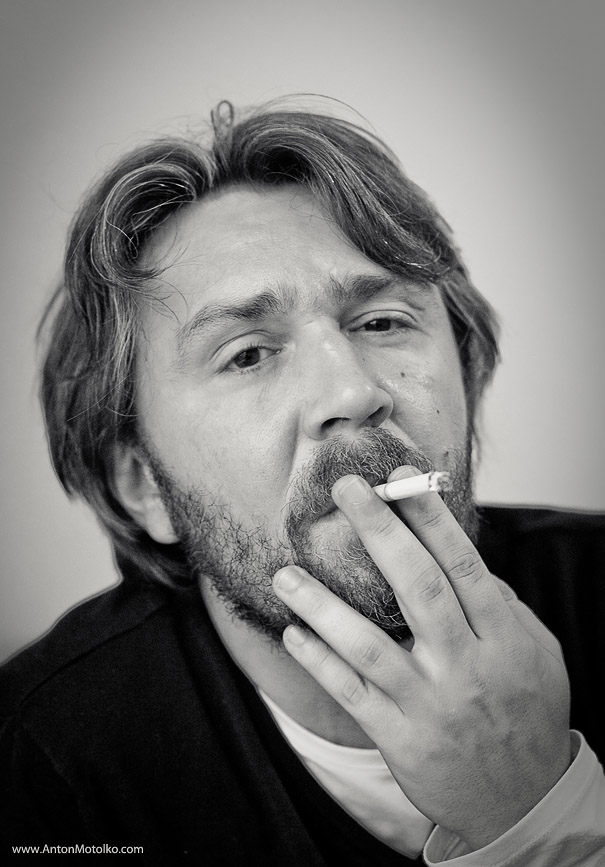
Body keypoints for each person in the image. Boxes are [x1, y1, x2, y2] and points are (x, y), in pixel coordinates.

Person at [1, 99, 604, 865]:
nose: (351, 393)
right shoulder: (47, 762)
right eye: (247, 354)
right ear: (142, 482)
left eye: (382, 322)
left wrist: (539, 813)